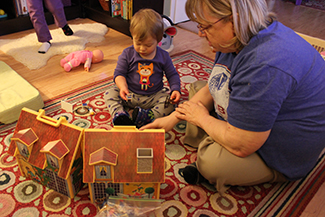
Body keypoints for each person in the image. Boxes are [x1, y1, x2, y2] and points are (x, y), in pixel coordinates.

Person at [141, 0, 325, 194]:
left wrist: (201, 118)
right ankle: (216, 133)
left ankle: (217, 142)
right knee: (198, 88)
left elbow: (242, 144)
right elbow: (217, 83)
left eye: (205, 26)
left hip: (285, 148)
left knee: (212, 164)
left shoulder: (264, 64)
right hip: (262, 120)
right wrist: (172, 118)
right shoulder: (238, 38)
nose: (200, 34)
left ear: (234, 21)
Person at [104, 8, 181, 128]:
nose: (142, 49)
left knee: (169, 102)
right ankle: (120, 115)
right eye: (138, 43)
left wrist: (175, 89)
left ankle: (148, 116)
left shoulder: (163, 56)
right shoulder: (127, 54)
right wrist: (122, 87)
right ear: (132, 37)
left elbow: (172, 75)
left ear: (158, 40)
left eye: (148, 45)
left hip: (154, 95)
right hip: (130, 94)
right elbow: (119, 73)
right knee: (110, 93)